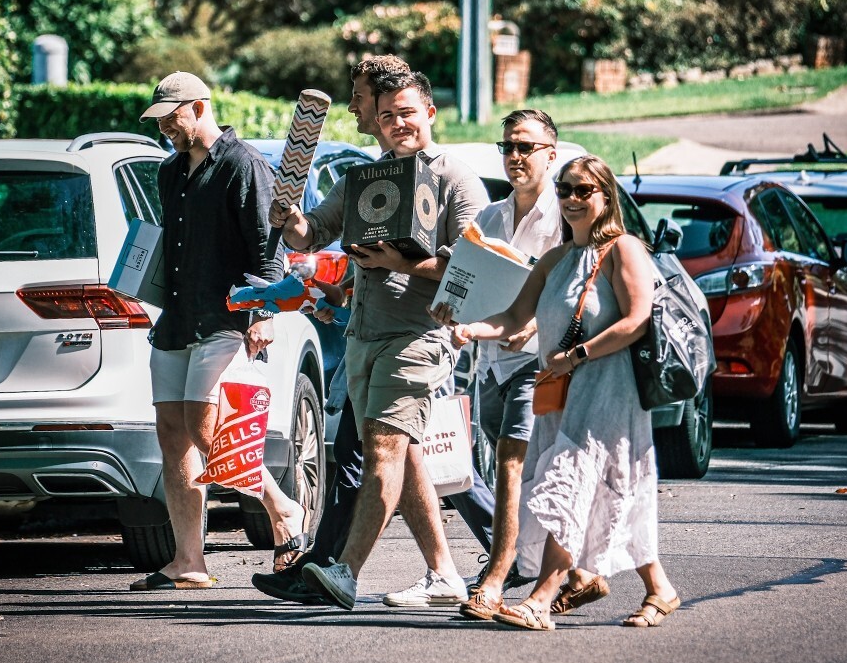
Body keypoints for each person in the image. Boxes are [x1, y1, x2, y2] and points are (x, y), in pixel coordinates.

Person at [270, 70, 490, 610]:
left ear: (430, 114)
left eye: (408, 112)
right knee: (400, 452)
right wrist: (289, 218)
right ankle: (444, 574)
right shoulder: (365, 178)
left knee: (383, 452)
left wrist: (401, 262)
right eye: (388, 114)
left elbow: (475, 268)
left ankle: (345, 572)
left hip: (418, 338)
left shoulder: (455, 179)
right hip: (363, 336)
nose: (397, 124)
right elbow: (311, 233)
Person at [434, 154, 680, 630]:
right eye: (564, 189)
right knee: (606, 491)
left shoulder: (624, 249)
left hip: (609, 390)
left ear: (605, 196)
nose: (569, 198)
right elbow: (512, 319)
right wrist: (469, 326)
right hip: (561, 391)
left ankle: (541, 599)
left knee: (571, 484)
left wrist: (578, 355)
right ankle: (660, 588)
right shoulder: (555, 260)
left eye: (582, 190)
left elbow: (636, 320)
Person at [129, 71, 308, 590]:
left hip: (227, 317)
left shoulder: (243, 165)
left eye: (171, 116)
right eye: (159, 119)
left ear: (200, 107)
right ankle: (189, 561)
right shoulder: (169, 171)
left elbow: (266, 243)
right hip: (177, 321)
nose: (164, 126)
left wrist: (265, 312)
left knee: (209, 429)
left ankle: (283, 508)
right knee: (172, 435)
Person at [430, 110, 607, 620]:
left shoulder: (568, 216)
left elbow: (581, 292)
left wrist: (536, 326)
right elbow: (467, 288)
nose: (514, 157)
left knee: (511, 463)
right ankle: (579, 573)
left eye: (526, 147)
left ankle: (496, 576)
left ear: (553, 155)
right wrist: (452, 313)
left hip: (543, 363)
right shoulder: (488, 218)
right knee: (530, 473)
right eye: (508, 147)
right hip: (491, 363)